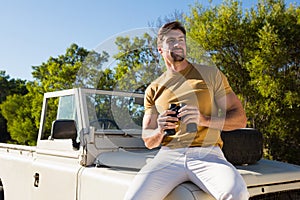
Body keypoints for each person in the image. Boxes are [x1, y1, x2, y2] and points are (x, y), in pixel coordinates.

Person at [124, 21, 249, 200]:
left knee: (237, 192)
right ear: (160, 49)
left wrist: (204, 119)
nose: (178, 44)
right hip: (168, 156)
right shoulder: (153, 89)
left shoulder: (210, 75)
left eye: (181, 39)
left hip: (207, 153)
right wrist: (160, 129)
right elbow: (148, 141)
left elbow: (240, 119)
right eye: (171, 40)